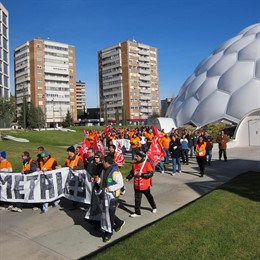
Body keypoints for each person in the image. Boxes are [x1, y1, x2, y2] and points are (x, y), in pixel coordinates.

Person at [94, 155, 125, 243]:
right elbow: (103, 183)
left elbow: (120, 184)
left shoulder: (115, 172)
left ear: (108, 163)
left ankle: (109, 233)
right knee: (106, 212)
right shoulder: (104, 170)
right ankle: (119, 222)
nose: (102, 163)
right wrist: (98, 180)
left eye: (104, 161)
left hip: (113, 197)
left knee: (110, 214)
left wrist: (110, 188)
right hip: (105, 195)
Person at [125, 150, 157, 217]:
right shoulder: (134, 165)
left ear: (142, 157)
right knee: (137, 199)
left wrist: (142, 175)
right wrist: (128, 178)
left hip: (145, 185)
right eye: (136, 156)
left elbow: (150, 173)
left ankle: (153, 207)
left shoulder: (147, 164)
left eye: (137, 156)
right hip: (137, 185)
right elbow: (132, 173)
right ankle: (137, 212)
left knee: (149, 196)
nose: (136, 157)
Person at [56, 145, 85, 210]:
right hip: (69, 177)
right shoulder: (68, 159)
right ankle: (74, 203)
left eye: (68, 151)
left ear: (71, 152)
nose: (67, 153)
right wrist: (61, 167)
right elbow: (66, 166)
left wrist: (74, 168)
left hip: (76, 178)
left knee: (76, 191)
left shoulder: (78, 158)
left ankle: (75, 204)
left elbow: (82, 167)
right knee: (71, 190)